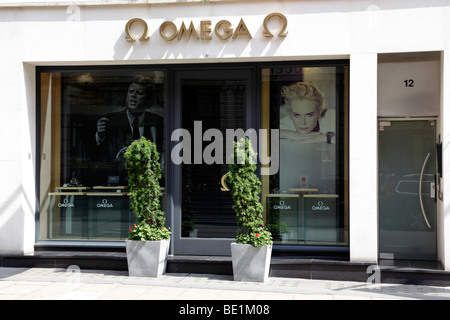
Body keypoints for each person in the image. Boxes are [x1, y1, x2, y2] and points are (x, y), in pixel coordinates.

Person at [94, 75, 164, 185]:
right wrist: (100, 135)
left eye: (139, 93)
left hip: (148, 182)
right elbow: (101, 155)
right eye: (131, 92)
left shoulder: (158, 122)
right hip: (119, 181)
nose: (133, 96)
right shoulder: (111, 120)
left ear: (148, 98)